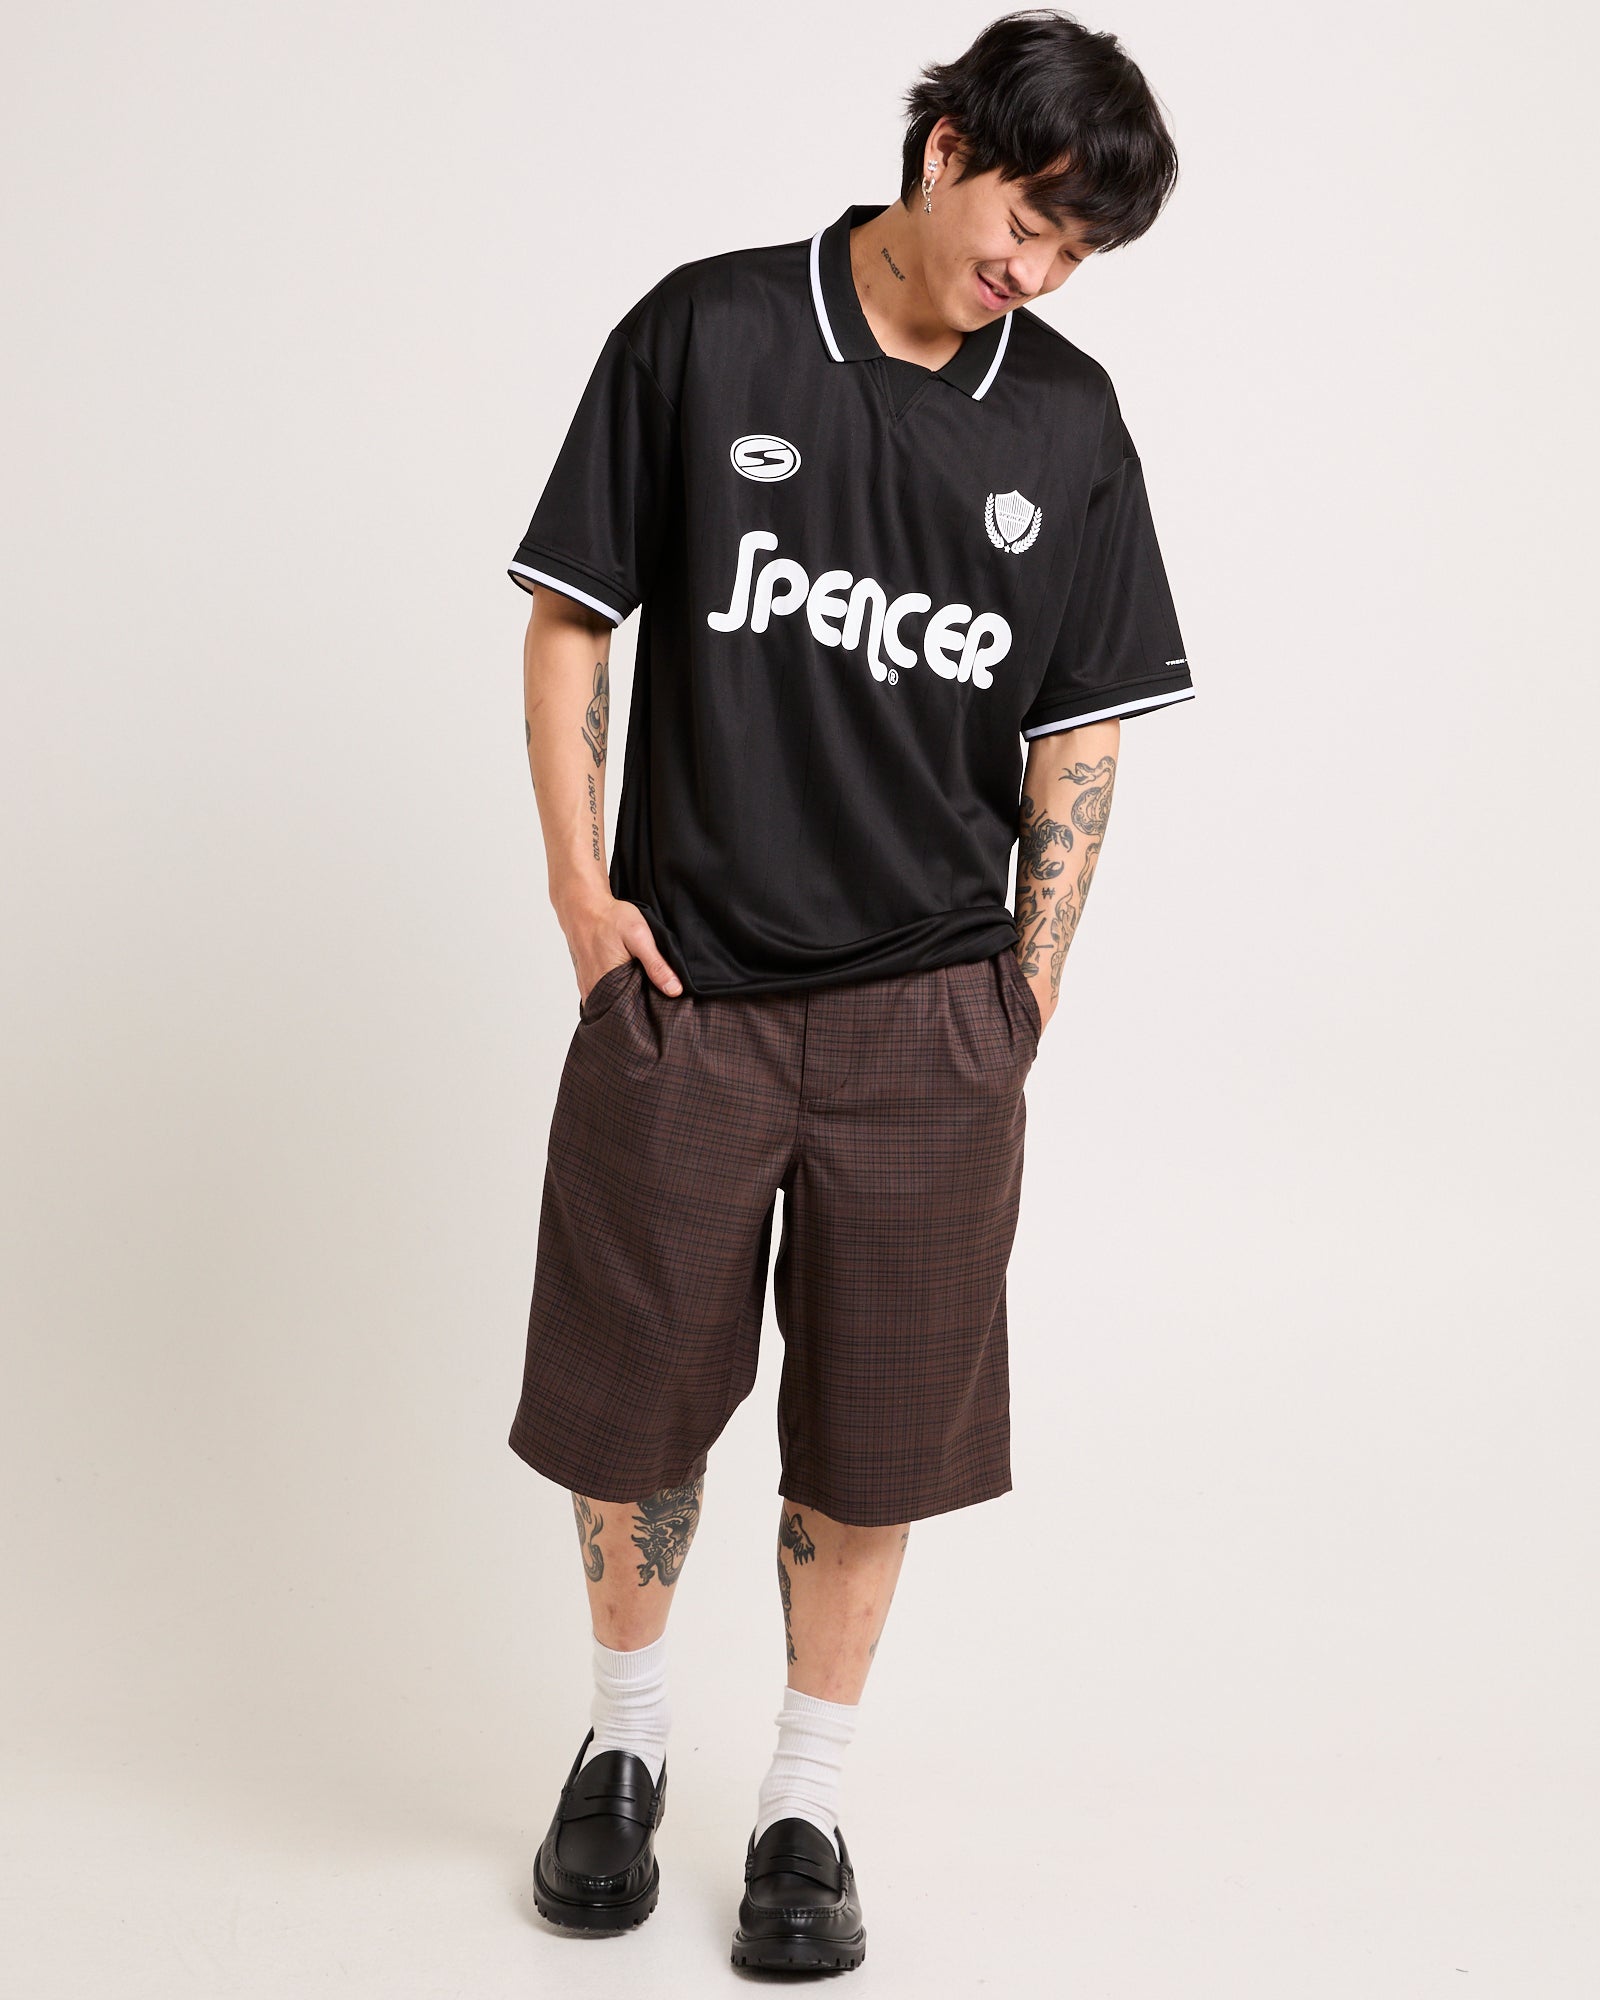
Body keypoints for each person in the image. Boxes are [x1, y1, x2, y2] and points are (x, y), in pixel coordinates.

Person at [505, 7, 1193, 1974]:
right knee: (633, 1411)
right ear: (946, 143)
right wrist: (578, 892)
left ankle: (804, 1799)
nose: (1035, 269)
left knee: (875, 1431)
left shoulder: (1066, 424)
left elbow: (1080, 730)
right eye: (1028, 219)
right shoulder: (708, 330)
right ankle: (623, 1746)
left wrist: (1021, 997)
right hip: (686, 987)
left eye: (1075, 252)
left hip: (930, 1021)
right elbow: (570, 614)